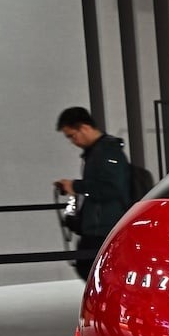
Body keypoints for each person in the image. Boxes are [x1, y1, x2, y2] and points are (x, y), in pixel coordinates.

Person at [54, 107, 131, 281]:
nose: (73, 141)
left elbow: (112, 188)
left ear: (84, 128)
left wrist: (75, 186)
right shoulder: (98, 151)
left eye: (72, 136)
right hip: (98, 225)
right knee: (93, 269)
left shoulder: (106, 151)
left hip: (104, 226)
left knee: (92, 268)